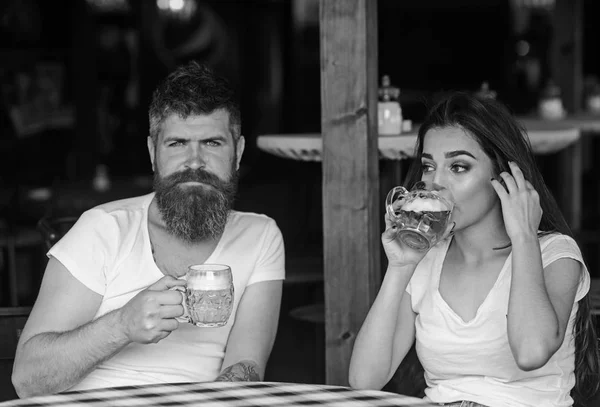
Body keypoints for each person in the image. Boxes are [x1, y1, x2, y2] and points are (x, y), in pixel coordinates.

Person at [12, 61, 285, 397]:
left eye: (213, 143)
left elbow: (245, 366)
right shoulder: (103, 230)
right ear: (152, 153)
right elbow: (26, 380)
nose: (195, 161)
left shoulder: (260, 237)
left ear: (238, 152)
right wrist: (123, 324)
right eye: (177, 143)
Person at [349, 92, 599, 407]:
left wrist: (523, 236)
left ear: (503, 175)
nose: (434, 184)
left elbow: (531, 352)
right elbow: (364, 379)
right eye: (429, 167)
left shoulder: (555, 255)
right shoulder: (428, 259)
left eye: (459, 167)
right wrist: (400, 267)